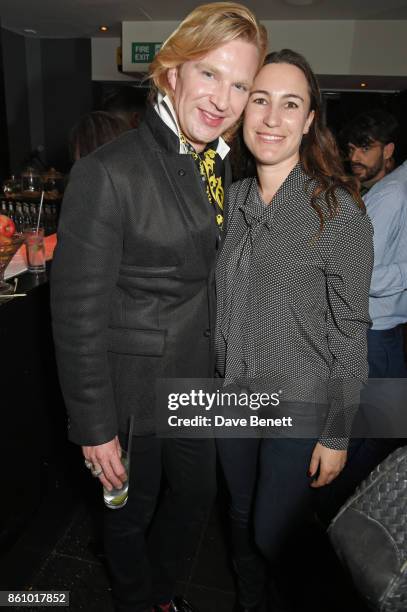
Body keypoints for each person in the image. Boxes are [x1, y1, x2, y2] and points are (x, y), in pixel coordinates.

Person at [51, 4, 267, 612]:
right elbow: (77, 314)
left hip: (197, 382)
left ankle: (162, 593)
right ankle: (137, 599)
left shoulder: (219, 165)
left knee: (196, 498)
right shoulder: (108, 172)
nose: (224, 99)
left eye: (240, 83)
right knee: (130, 513)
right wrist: (96, 429)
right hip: (132, 390)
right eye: (210, 74)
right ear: (171, 71)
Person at [215, 49, 373, 612]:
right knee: (236, 516)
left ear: (309, 120)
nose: (271, 118)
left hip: (298, 403)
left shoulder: (338, 213)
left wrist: (336, 433)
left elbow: (352, 333)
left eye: (290, 104)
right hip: (230, 399)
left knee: (270, 532)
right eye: (260, 100)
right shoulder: (229, 203)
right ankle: (250, 601)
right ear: (244, 109)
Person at [341, 108, 398, 196]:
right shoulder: (346, 188)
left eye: (365, 149)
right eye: (351, 149)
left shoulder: (391, 195)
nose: (353, 158)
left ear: (387, 151)